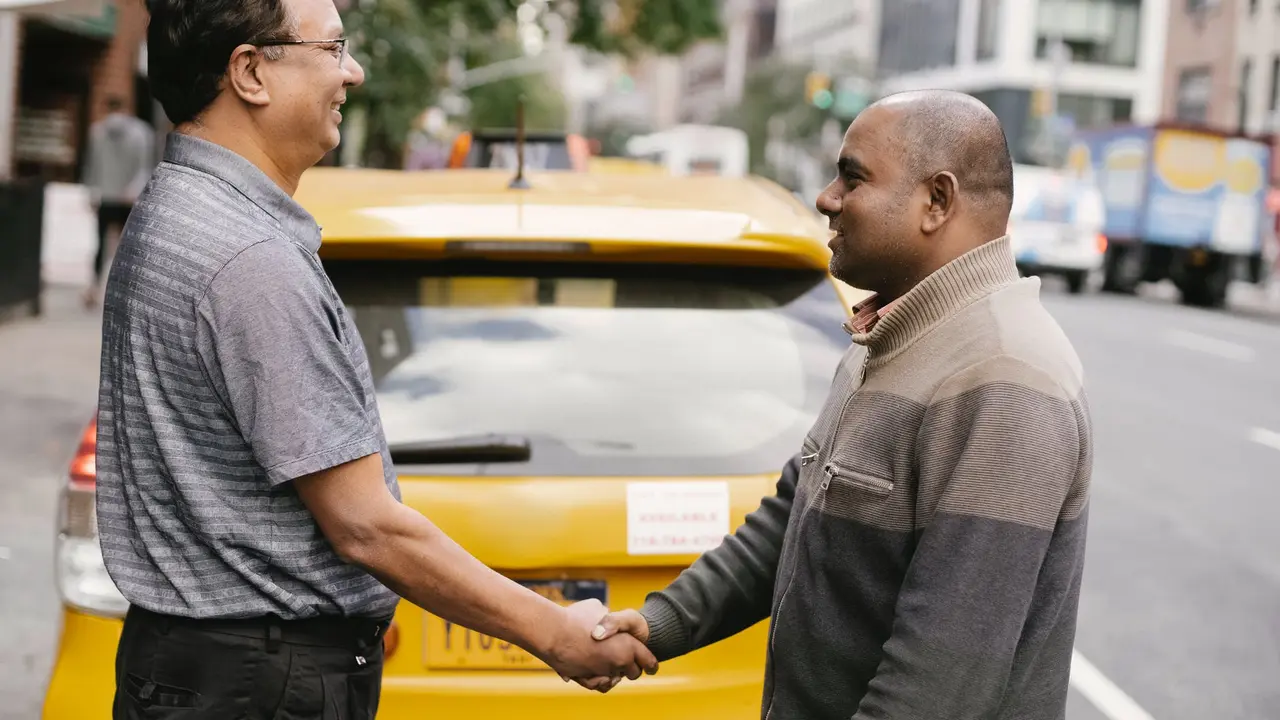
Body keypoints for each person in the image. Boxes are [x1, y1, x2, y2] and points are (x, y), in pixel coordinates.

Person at [96, 1, 654, 718]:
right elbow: (365, 524)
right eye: (333, 48)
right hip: (256, 685)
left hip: (202, 670)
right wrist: (553, 629)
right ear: (250, 72)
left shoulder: (178, 209)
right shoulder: (250, 260)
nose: (352, 73)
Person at [582, 90, 1094, 720]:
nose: (826, 198)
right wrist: (661, 624)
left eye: (852, 178)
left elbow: (937, 687)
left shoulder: (1006, 379)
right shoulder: (892, 331)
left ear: (937, 201)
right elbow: (795, 515)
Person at [81, 95, 154, 307]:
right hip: (128, 198)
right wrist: (133, 189)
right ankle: (125, 289)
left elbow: (91, 165)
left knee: (100, 243)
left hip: (106, 195)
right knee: (127, 245)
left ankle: (94, 286)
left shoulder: (97, 132)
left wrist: (92, 191)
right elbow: (144, 166)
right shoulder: (142, 133)